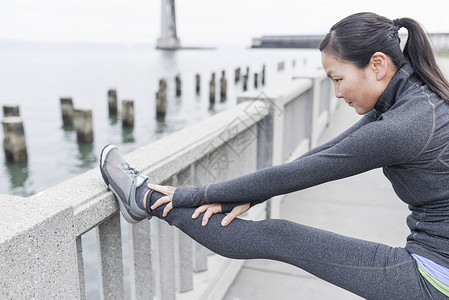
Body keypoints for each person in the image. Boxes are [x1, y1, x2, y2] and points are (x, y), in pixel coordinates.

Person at [100, 12, 449, 299]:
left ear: (377, 64)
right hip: (437, 260)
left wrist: (194, 194)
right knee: (279, 232)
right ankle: (146, 199)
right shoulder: (416, 99)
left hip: (435, 277)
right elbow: (323, 153)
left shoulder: (403, 126)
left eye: (338, 78)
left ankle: (144, 198)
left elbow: (311, 171)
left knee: (279, 235)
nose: (337, 92)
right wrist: (249, 196)